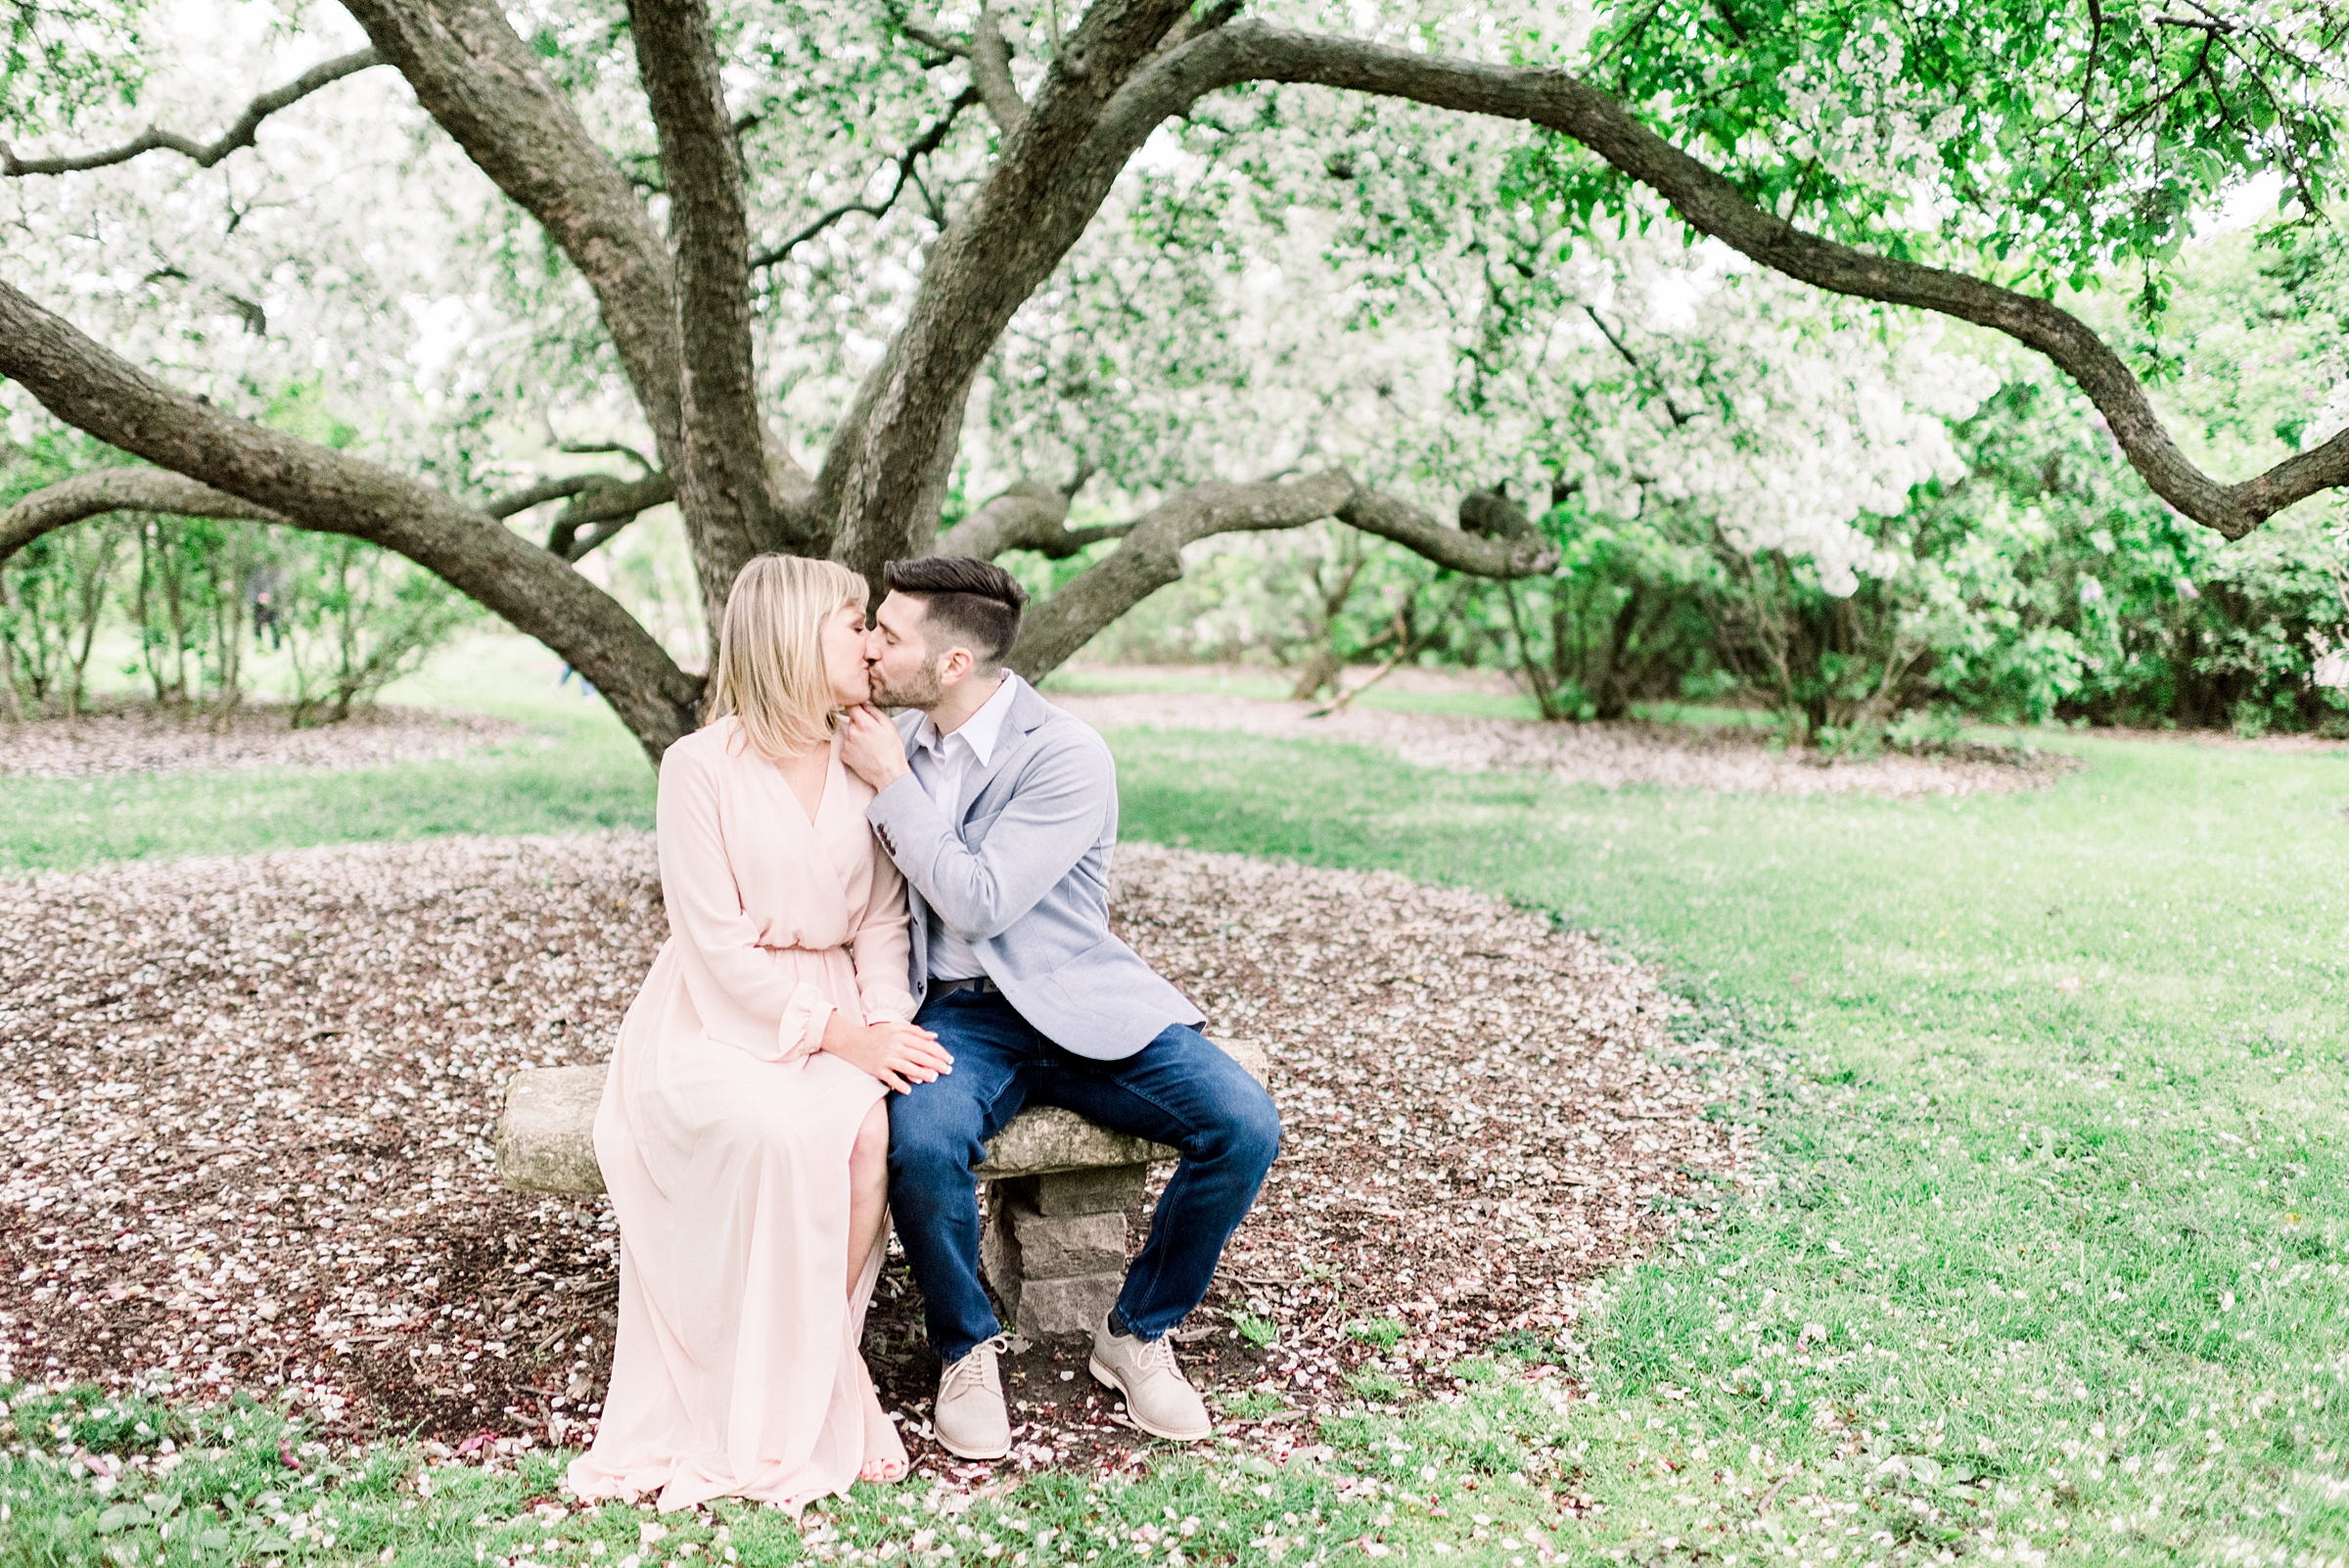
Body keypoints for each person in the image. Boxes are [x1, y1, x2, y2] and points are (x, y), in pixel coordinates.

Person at [839, 557, 1282, 1460]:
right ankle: (965, 1346)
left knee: (1243, 1124)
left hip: (1080, 998)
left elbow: (982, 900)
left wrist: (892, 786)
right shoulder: (893, 737)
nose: (871, 647)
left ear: (953, 663)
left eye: (888, 634)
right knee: (921, 1143)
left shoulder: (1064, 754)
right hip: (959, 1011)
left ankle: (1137, 1332)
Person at [569, 555, 954, 1513]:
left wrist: (880, 1028)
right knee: (774, 1135)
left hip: (841, 1001)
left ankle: (820, 1360)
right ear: (790, 636)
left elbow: (879, 924)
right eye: (852, 621)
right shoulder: (697, 769)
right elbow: (715, 948)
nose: (872, 643)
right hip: (719, 1011)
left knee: (868, 1134)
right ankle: (823, 1388)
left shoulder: (865, 757)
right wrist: (833, 1035)